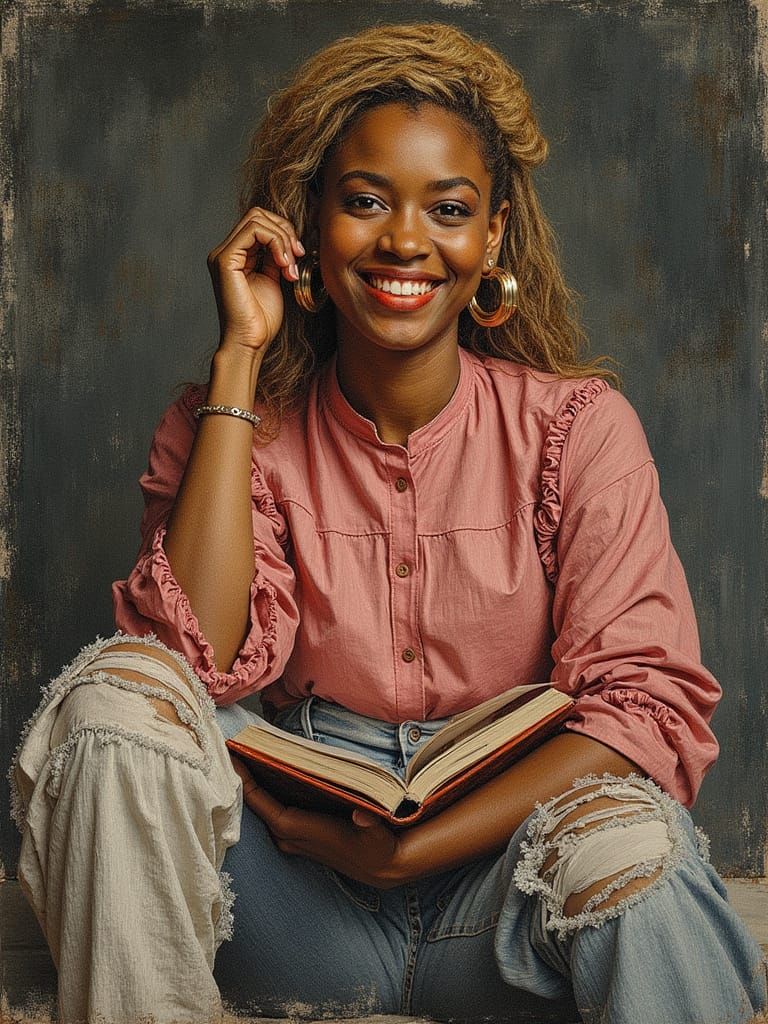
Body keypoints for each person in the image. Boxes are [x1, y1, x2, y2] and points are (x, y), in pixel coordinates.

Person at [11, 21, 767, 1024]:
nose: (406, 239)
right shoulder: (226, 431)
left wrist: (415, 842)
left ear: (491, 233)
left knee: (632, 844)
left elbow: (640, 708)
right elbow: (190, 660)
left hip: (502, 896)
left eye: (447, 209)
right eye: (365, 201)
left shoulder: (575, 430)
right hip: (289, 896)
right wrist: (240, 359)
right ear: (310, 220)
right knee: (117, 697)